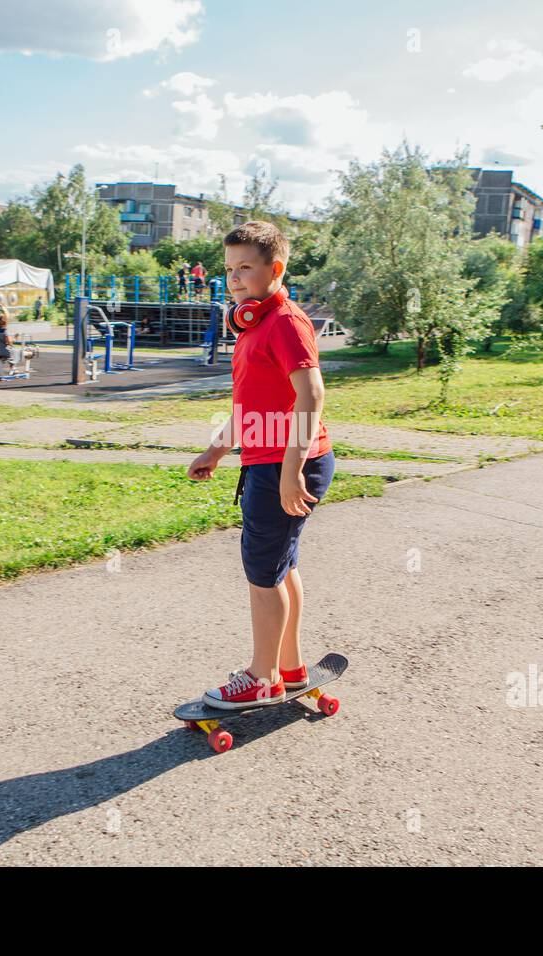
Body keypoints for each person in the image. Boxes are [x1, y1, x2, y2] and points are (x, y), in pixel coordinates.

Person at [186, 221, 334, 709]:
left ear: (276, 268)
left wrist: (291, 471)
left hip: (285, 464)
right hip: (273, 460)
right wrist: (217, 450)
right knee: (281, 566)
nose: (234, 278)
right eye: (229, 269)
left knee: (262, 574)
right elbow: (253, 405)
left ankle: (260, 677)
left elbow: (310, 393)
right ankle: (288, 668)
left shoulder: (286, 322)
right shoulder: (256, 324)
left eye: (245, 267)